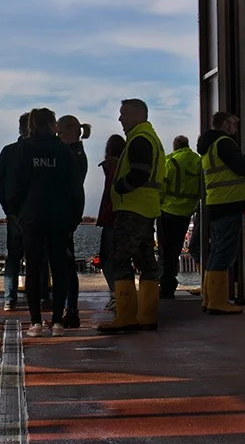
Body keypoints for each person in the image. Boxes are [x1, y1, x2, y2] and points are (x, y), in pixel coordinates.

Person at [7, 108, 84, 338]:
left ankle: (35, 322)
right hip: (60, 217)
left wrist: (16, 213)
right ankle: (58, 321)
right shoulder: (64, 151)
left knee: (33, 267)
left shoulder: (23, 151)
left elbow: (14, 186)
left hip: (31, 217)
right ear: (53, 125)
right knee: (59, 268)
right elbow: (75, 188)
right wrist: (74, 218)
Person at [98, 99, 165, 334]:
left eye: (123, 114)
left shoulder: (139, 139)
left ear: (138, 114)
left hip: (133, 209)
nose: (120, 119)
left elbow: (140, 173)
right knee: (147, 260)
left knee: (120, 259)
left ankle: (125, 316)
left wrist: (120, 187)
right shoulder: (150, 138)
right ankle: (147, 315)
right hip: (147, 208)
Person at [196, 111, 245, 314]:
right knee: (224, 252)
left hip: (217, 204)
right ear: (224, 124)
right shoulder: (224, 143)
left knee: (216, 251)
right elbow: (242, 168)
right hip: (229, 203)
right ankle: (217, 302)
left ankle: (209, 299)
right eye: (234, 123)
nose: (236, 128)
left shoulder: (208, 146)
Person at [57, 115, 90, 328]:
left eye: (59, 133)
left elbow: (71, 188)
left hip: (65, 214)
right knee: (64, 262)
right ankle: (70, 307)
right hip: (67, 213)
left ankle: (71, 308)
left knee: (65, 264)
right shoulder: (74, 153)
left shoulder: (73, 155)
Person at [158, 135, 201, 299]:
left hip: (167, 211)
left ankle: (166, 287)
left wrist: (157, 206)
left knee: (165, 252)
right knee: (175, 250)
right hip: (186, 213)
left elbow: (162, 187)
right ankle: (170, 283)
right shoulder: (198, 162)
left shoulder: (172, 162)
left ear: (175, 147)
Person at [0, 112, 29, 312]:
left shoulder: (8, 152)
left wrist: (7, 208)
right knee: (38, 256)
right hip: (34, 211)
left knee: (13, 257)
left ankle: (9, 298)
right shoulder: (36, 151)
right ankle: (41, 296)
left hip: (14, 211)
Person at [96, 134, 126, 309]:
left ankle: (116, 293)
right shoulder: (125, 165)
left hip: (111, 217)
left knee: (107, 257)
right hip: (126, 215)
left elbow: (109, 194)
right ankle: (122, 294)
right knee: (121, 257)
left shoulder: (111, 167)